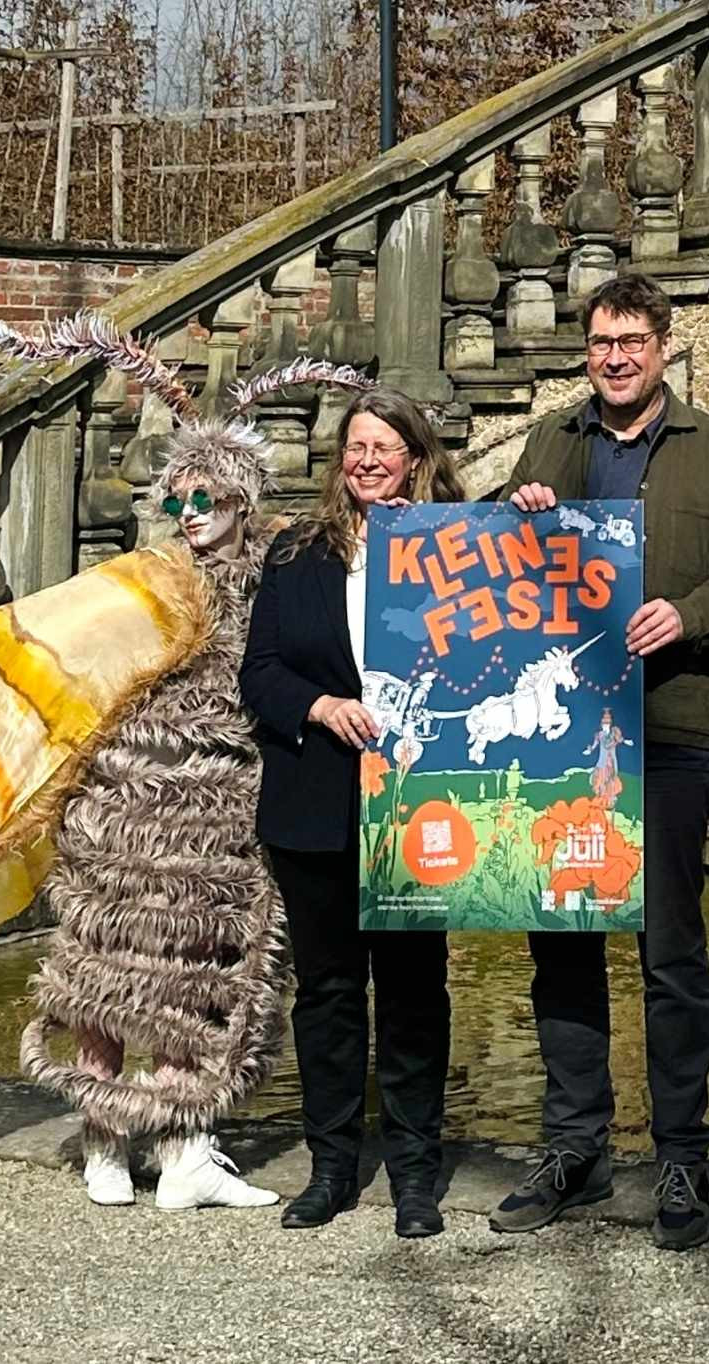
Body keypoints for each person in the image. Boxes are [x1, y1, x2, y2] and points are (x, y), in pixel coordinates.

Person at [487, 272, 709, 1251]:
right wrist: (515, 509)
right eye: (601, 341)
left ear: (662, 345)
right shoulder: (552, 441)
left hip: (668, 729)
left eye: (631, 340)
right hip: (560, 737)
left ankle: (681, 1154)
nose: (614, 356)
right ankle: (572, 1147)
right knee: (560, 943)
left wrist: (685, 614)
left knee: (669, 951)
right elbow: (487, 559)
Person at [15, 328, 292, 1213]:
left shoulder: (272, 579)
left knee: (190, 970)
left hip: (216, 808)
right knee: (105, 963)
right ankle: (107, 1141)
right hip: (126, 798)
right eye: (182, 496)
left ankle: (180, 1152)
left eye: (210, 494)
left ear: (245, 499)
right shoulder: (146, 581)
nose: (194, 510)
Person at [241, 387, 469, 1239]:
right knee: (329, 990)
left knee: (414, 990)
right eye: (356, 447)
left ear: (415, 455)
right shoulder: (297, 552)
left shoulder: (459, 547)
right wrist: (320, 706)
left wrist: (525, 510)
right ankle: (331, 1166)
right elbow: (258, 672)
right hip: (317, 799)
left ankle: (414, 1172)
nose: (368, 460)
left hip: (418, 801)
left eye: (386, 446)